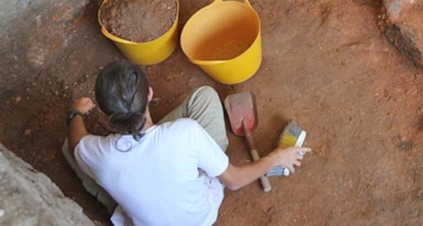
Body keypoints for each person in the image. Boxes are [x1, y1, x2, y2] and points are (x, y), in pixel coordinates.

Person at [62, 60, 311, 225]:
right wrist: (275, 158)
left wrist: (75, 114)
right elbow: (234, 181)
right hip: (199, 217)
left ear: (106, 114)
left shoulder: (97, 153)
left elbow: (75, 143)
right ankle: (207, 159)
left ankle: (111, 200)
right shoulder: (184, 133)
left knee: (69, 150)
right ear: (149, 94)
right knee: (204, 97)